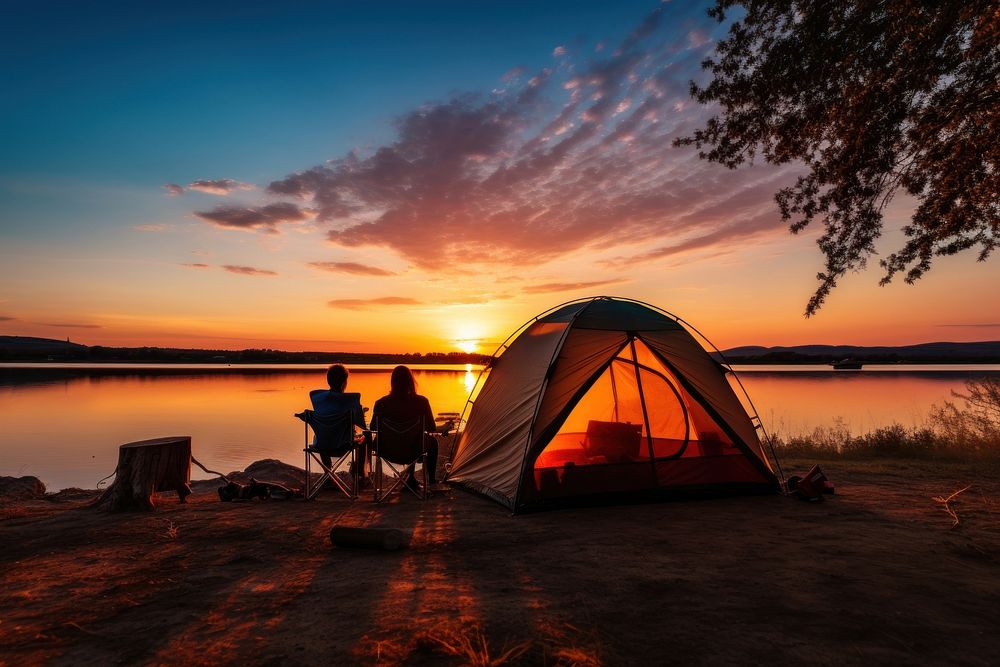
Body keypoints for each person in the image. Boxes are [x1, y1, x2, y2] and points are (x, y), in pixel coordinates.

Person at [370, 365, 440, 488]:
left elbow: (372, 428)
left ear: (392, 382)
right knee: (431, 442)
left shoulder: (381, 403)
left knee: (407, 438)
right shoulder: (421, 402)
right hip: (414, 451)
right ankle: (431, 480)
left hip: (388, 450)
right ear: (410, 381)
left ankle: (408, 478)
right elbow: (431, 427)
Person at [308, 364, 368, 478]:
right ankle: (360, 474)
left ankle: (328, 473)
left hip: (321, 445)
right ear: (345, 381)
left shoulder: (317, 397)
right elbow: (362, 425)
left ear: (328, 380)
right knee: (364, 438)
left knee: (323, 433)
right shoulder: (351, 400)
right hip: (343, 444)